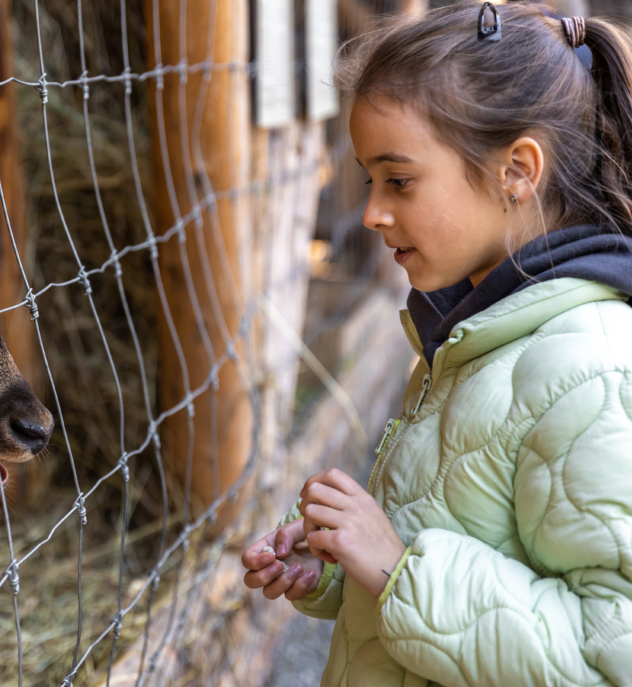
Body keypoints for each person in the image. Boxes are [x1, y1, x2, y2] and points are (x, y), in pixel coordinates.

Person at [241, 3, 632, 685]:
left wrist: (394, 567)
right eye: (370, 179)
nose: (371, 211)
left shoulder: (589, 370)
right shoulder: (476, 331)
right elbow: (465, 532)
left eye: (400, 179)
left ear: (516, 170)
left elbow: (609, 653)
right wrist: (339, 566)